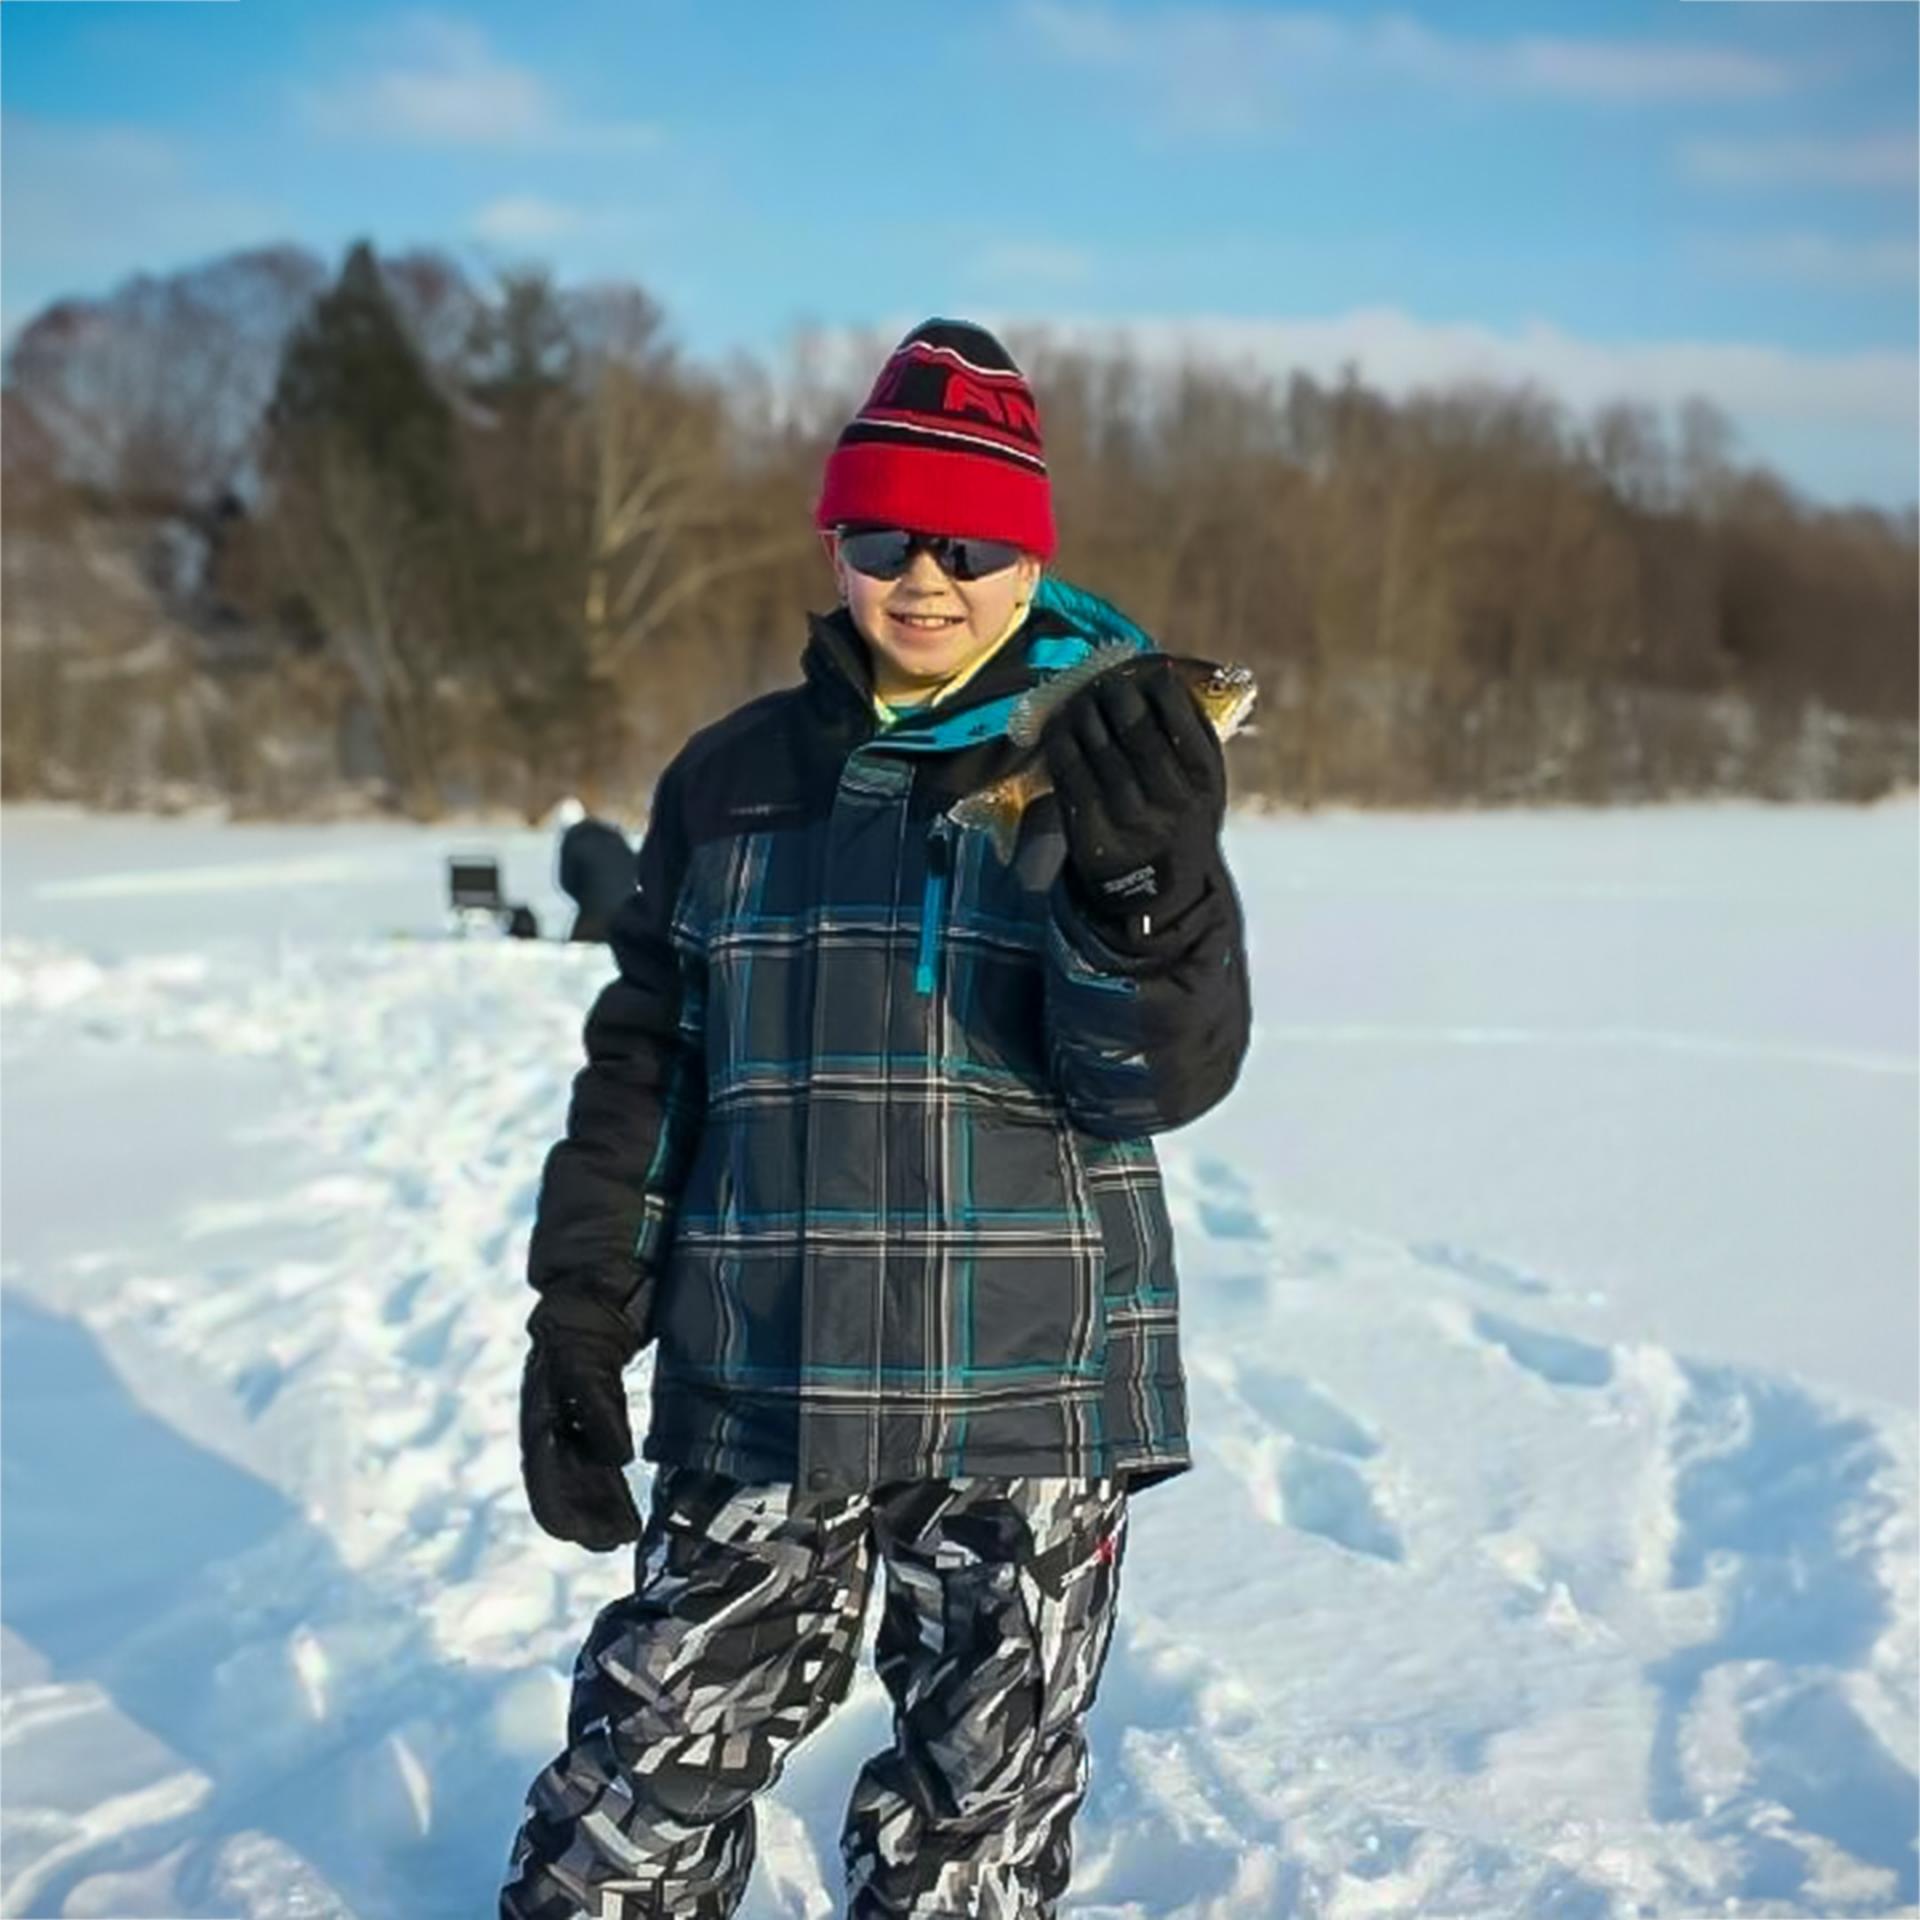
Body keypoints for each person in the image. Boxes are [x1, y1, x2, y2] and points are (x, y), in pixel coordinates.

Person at [501, 319, 1251, 1919]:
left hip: (1025, 1403)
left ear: (1030, 559)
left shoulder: (1111, 759)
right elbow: (650, 1064)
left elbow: (1155, 1080)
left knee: (970, 1851)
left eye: (971, 543)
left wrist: (1143, 887)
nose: (924, 575)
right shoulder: (729, 783)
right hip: (765, 1376)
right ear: (833, 540)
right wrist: (581, 1317)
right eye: (880, 534)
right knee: (622, 1817)